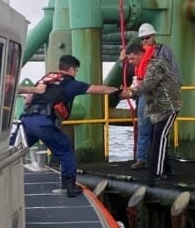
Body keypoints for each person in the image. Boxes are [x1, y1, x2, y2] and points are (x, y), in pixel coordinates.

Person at [18, 54, 119, 197]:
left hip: (27, 120)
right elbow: (100, 90)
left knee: (15, 152)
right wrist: (118, 91)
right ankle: (69, 187)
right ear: (71, 69)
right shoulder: (70, 83)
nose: (76, 73)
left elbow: (28, 100)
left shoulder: (45, 79)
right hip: (44, 123)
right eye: (76, 70)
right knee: (65, 149)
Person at [123, 38, 182, 186]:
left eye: (131, 58)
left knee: (159, 138)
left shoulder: (154, 66)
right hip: (158, 107)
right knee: (158, 137)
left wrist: (130, 94)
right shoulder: (146, 66)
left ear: (139, 54)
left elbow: (147, 85)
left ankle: (156, 174)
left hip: (168, 107)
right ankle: (166, 170)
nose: (130, 62)